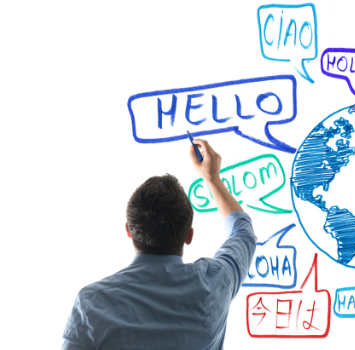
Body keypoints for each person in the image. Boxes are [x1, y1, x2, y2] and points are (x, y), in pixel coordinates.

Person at [62, 139, 255, 350]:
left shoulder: (92, 304)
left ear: (129, 231)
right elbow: (243, 233)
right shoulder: (216, 282)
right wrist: (212, 179)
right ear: (188, 236)